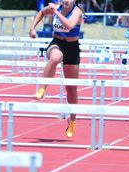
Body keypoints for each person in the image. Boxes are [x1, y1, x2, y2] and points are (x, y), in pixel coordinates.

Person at [29, 0, 83, 138]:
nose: (66, 0)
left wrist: (56, 13)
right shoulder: (55, 7)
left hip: (72, 48)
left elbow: (70, 25)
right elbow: (41, 12)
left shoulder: (77, 11)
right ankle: (42, 88)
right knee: (55, 58)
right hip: (57, 43)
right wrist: (32, 28)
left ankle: (72, 121)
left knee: (71, 89)